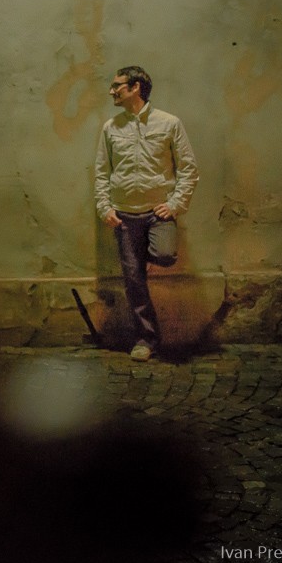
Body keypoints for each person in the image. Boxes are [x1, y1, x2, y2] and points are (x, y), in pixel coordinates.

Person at [94, 65, 198, 361]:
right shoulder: (111, 127)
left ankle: (143, 254)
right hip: (124, 216)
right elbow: (102, 172)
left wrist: (175, 205)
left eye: (117, 86)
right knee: (134, 280)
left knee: (164, 255)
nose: (111, 91)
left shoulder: (169, 123)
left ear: (135, 87)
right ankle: (146, 339)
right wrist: (104, 207)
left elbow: (188, 168)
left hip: (157, 214)